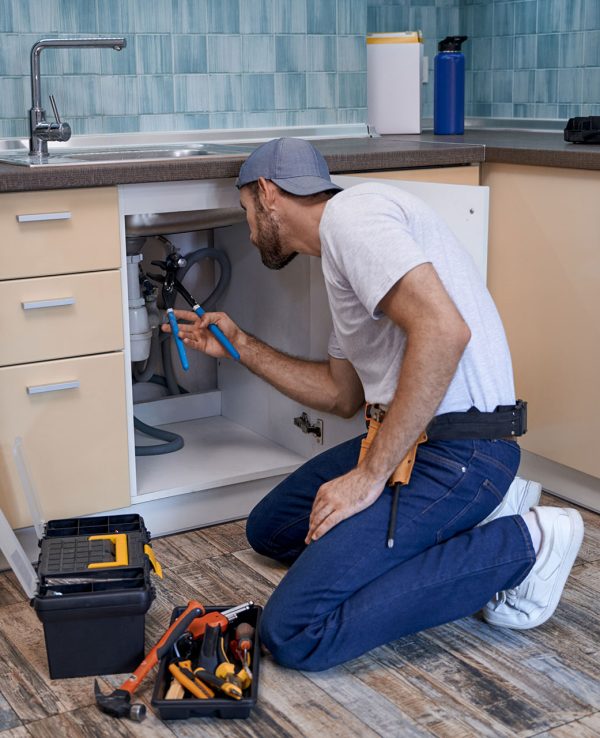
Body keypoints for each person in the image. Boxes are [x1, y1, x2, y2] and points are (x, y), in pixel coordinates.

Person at [163, 138, 584, 671]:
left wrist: (368, 478)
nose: (249, 229)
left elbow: (444, 330)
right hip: (417, 443)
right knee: (270, 528)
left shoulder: (352, 219)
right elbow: (342, 395)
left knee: (294, 632)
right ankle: (465, 522)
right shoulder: (342, 251)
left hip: (461, 451)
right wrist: (240, 347)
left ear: (268, 194)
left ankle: (528, 542)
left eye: (247, 210)